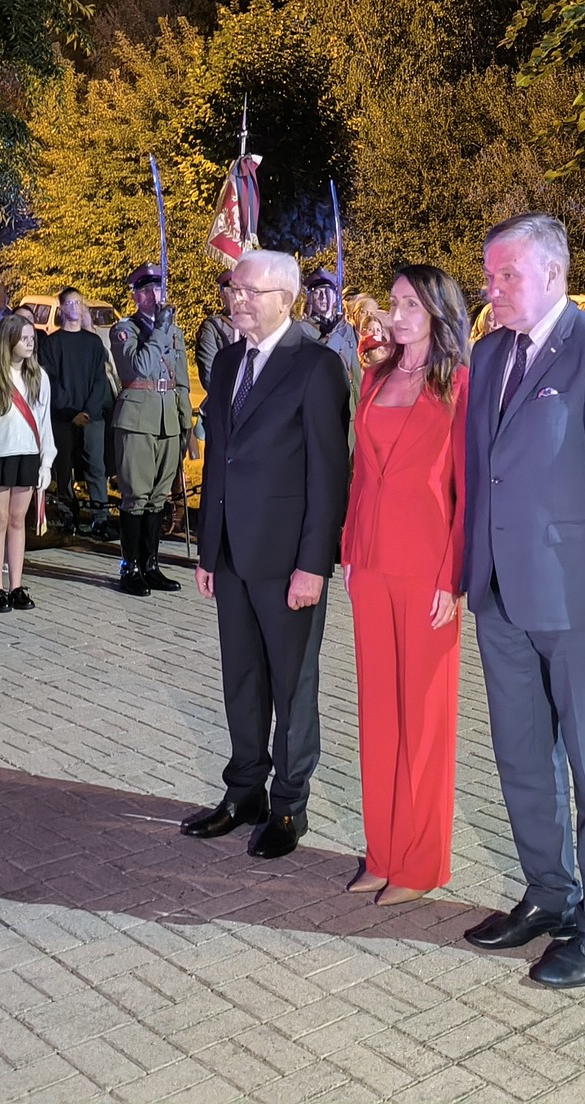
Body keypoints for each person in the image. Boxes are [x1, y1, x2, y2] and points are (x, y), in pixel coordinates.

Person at [461, 213, 585, 990]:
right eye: (489, 275)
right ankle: (549, 894)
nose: (493, 289)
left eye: (507, 274)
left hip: (580, 608)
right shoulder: (488, 353)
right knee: (520, 759)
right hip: (501, 596)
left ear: (553, 273)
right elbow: (482, 476)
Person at [185, 249, 350, 860]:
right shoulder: (229, 361)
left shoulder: (317, 366)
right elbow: (220, 461)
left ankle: (288, 806)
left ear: (285, 298)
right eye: (234, 289)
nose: (238, 299)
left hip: (287, 562)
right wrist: (208, 550)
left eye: (250, 291)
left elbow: (329, 476)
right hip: (231, 554)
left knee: (291, 685)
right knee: (242, 679)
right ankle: (244, 793)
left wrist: (314, 564)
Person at [341, 264, 470, 904]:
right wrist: (348, 549)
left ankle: (420, 865)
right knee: (378, 715)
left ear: (440, 311)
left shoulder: (460, 384)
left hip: (428, 571)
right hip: (370, 564)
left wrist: (454, 577)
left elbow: (467, 490)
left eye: (412, 304)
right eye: (394, 303)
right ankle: (383, 852)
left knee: (425, 720)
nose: (397, 315)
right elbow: (361, 473)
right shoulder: (374, 375)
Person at [109, 265, 191, 597]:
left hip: (167, 418)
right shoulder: (124, 330)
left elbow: (181, 380)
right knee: (136, 496)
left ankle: (150, 565)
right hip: (137, 419)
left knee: (159, 497)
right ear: (137, 296)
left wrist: (185, 420)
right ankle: (129, 568)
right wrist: (159, 329)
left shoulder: (174, 332)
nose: (155, 295)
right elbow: (140, 367)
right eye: (147, 290)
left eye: (159, 288)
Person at [0, 312, 56, 612]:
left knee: (18, 521)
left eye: (32, 338)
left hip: (28, 454)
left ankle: (17, 585)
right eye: (24, 339)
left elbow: (44, 422)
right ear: (8, 341)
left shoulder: (39, 377)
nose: (30, 343)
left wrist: (46, 462)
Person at [40, 288, 114, 537]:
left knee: (96, 468)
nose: (75, 307)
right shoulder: (52, 343)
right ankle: (66, 515)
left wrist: (88, 411)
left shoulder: (93, 342)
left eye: (78, 303)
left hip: (92, 417)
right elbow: (50, 379)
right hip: (63, 417)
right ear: (61, 308)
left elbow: (100, 379)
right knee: (64, 469)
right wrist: (71, 411)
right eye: (70, 303)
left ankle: (100, 517)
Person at [304, 269, 360, 389]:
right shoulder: (301, 329)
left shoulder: (347, 328)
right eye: (317, 292)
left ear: (335, 297)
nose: (323, 297)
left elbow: (355, 372)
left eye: (328, 291)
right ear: (309, 298)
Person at [193, 273, 238, 389]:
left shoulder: (258, 326)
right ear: (222, 294)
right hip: (225, 396)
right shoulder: (213, 327)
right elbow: (209, 375)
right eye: (232, 291)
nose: (237, 296)